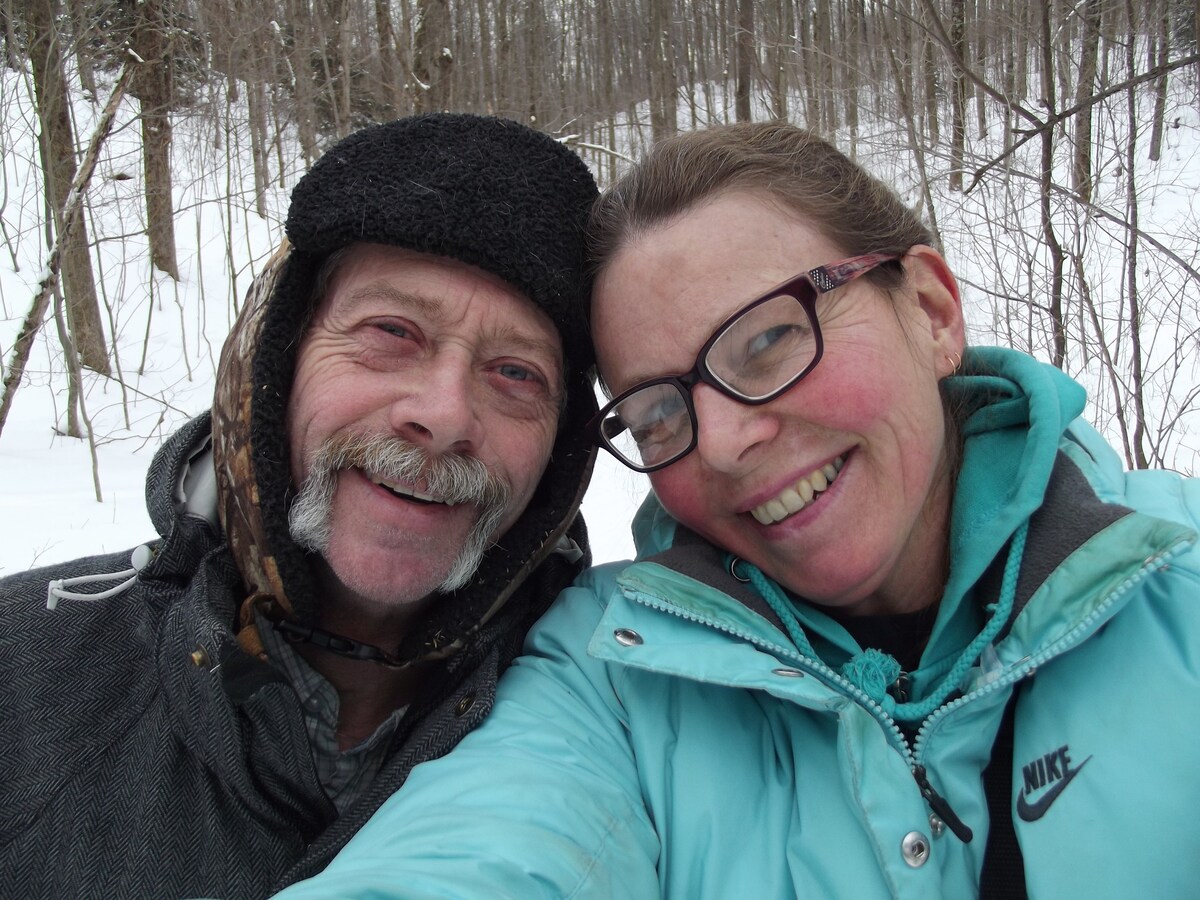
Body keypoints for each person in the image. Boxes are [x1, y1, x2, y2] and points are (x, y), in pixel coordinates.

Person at [275, 121, 1200, 899]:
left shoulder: (1178, 593)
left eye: (767, 342)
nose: (720, 444)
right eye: (658, 408)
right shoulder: (612, 674)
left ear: (930, 309)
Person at [0, 113, 600, 899]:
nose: (445, 416)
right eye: (393, 331)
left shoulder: (613, 717)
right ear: (273, 364)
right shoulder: (24, 682)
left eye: (516, 373)